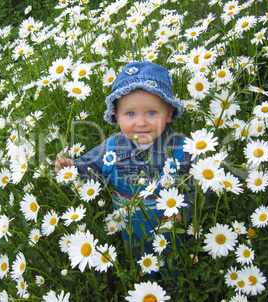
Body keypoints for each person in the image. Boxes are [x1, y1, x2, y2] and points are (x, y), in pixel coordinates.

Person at [55, 61, 195, 279]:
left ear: (169, 113)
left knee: (172, 268)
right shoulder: (111, 146)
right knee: (137, 265)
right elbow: (92, 167)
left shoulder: (181, 148)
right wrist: (72, 167)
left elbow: (196, 185)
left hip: (170, 232)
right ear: (116, 116)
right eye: (130, 114)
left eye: (151, 112)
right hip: (130, 230)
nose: (141, 122)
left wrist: (183, 213)